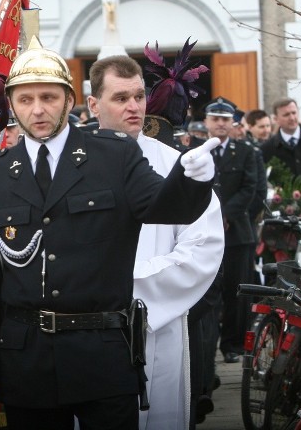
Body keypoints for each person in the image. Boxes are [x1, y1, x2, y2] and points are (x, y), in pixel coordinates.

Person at [0, 46, 216, 429]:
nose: (38, 110)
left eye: (49, 97)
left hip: (102, 354)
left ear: (71, 100)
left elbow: (166, 208)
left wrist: (193, 179)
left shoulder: (114, 156)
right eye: (25, 99)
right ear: (11, 104)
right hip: (26, 358)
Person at [87, 54, 224, 430]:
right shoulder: (68, 164)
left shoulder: (177, 166)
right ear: (93, 104)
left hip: (156, 325)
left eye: (138, 96)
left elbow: (202, 247)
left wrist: (126, 286)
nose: (133, 106)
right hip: (82, 327)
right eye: (120, 98)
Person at [203, 97, 258, 364]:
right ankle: (206, 348)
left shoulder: (246, 151)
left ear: (233, 122)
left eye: (226, 119)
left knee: (237, 293)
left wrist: (227, 214)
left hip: (237, 234)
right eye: (216, 119)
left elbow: (252, 188)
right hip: (204, 235)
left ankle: (233, 345)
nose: (221, 124)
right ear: (207, 122)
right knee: (208, 294)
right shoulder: (196, 151)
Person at [261, 97, 301, 178]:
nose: (292, 118)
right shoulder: (267, 148)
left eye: (294, 113)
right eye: (286, 115)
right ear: (276, 119)